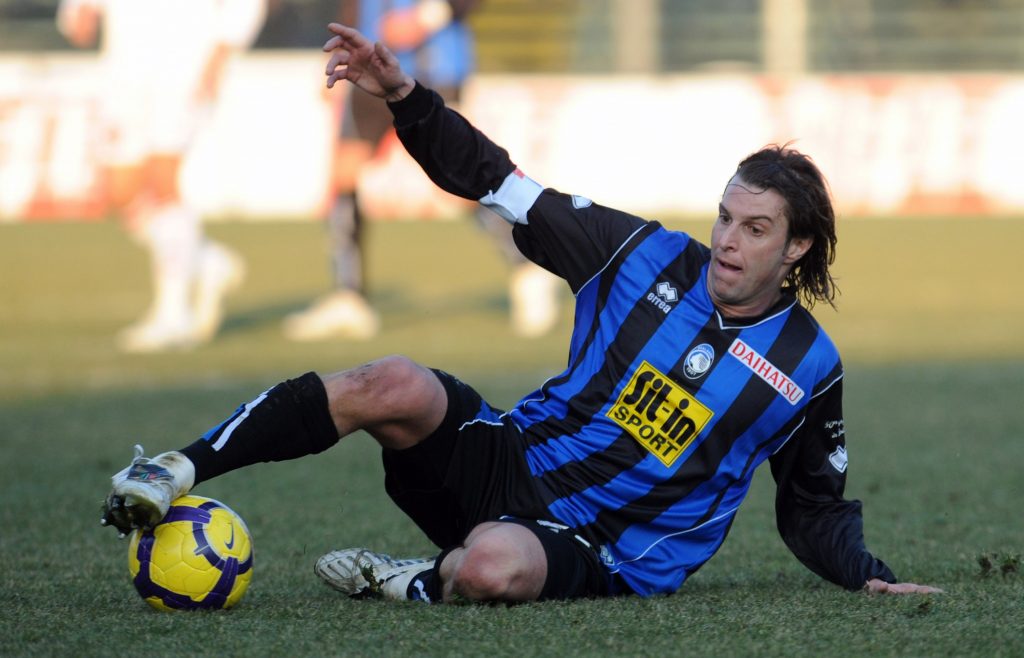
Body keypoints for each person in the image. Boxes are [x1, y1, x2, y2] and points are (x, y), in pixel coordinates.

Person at [99, 22, 941, 602]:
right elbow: (494, 180)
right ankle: (172, 471)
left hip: (603, 549)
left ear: (796, 249)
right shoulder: (639, 254)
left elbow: (812, 505)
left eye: (755, 229)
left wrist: (863, 571)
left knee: (490, 569)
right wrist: (405, 96)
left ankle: (416, 580)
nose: (727, 240)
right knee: (391, 380)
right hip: (510, 460)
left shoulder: (806, 365)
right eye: (725, 217)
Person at [282, 0, 560, 341]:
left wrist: (425, 17)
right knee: (344, 174)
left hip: (433, 71)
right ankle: (349, 296)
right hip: (368, 68)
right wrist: (339, 52)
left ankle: (527, 268)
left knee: (458, 182)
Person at [56, 0, 266, 352]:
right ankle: (207, 261)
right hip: (124, 70)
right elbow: (80, 16)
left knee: (162, 182)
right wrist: (77, 15)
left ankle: (173, 315)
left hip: (185, 65)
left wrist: (220, 55)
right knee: (120, 192)